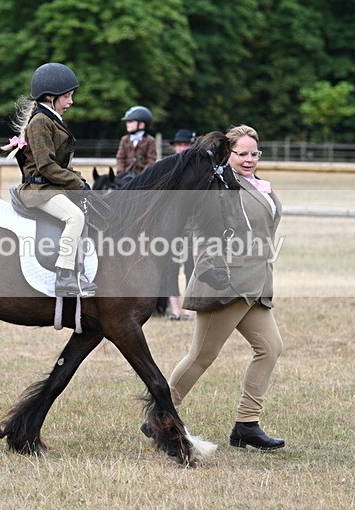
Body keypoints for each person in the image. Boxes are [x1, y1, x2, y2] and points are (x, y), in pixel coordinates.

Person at [161, 125, 285, 450]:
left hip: (255, 282)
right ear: (228, 154)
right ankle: (159, 416)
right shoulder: (218, 185)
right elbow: (200, 228)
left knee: (269, 348)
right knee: (201, 356)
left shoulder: (259, 185)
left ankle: (246, 425)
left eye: (253, 153)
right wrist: (210, 264)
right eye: (241, 153)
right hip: (226, 280)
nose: (248, 159)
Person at [10, 62, 96, 298]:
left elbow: (60, 166)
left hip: (50, 186)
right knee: (74, 216)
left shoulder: (52, 118)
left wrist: (80, 180)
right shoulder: (39, 122)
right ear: (50, 96)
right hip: (39, 189)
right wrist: (77, 183)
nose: (71, 102)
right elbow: (47, 166)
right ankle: (65, 276)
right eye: (67, 96)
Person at [160, 129, 197, 321]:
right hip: (171, 225)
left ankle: (190, 309)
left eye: (185, 144)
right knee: (170, 268)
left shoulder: (198, 169)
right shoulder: (167, 167)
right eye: (179, 144)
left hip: (191, 225)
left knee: (191, 267)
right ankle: (174, 309)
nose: (181, 148)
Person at [114, 105, 157, 178]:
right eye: (127, 122)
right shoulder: (125, 139)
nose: (127, 124)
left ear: (141, 125)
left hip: (142, 176)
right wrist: (120, 172)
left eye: (130, 121)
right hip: (125, 175)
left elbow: (151, 160)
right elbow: (120, 158)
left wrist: (144, 175)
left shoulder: (150, 140)